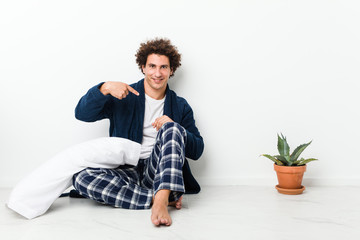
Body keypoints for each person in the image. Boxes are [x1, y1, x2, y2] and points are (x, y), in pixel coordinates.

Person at [73, 38, 204, 226]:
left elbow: (197, 151)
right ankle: (156, 197)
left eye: (163, 67)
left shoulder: (180, 106)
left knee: (172, 128)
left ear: (171, 70)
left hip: (160, 170)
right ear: (143, 67)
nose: (157, 73)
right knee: (81, 178)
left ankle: (161, 199)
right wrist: (105, 88)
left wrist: (176, 128)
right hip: (127, 170)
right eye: (152, 66)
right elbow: (82, 114)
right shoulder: (123, 95)